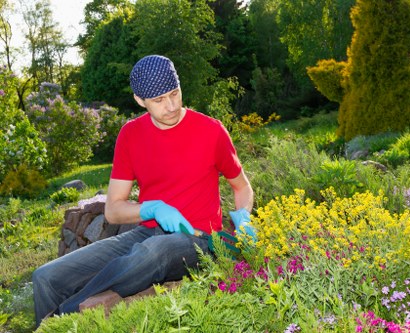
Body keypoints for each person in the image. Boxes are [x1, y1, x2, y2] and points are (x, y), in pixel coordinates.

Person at [32, 55, 255, 327]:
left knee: (152, 253)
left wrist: (243, 216)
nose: (171, 106)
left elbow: (241, 186)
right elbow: (113, 210)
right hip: (146, 231)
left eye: (175, 94)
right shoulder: (130, 135)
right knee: (45, 277)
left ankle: (56, 322)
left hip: (198, 237)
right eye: (159, 100)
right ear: (140, 100)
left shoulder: (211, 131)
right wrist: (151, 208)